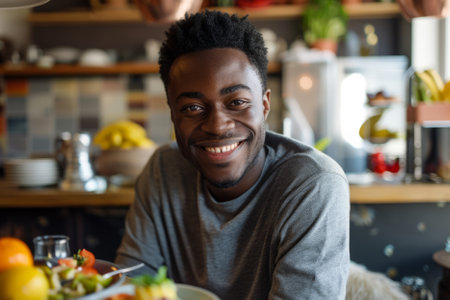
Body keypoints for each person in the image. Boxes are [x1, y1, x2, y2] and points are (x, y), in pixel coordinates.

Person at [115, 10, 350, 300]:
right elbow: (130, 285)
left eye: (237, 102)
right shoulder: (163, 170)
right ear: (173, 114)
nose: (216, 126)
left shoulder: (313, 184)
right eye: (192, 108)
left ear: (264, 105)